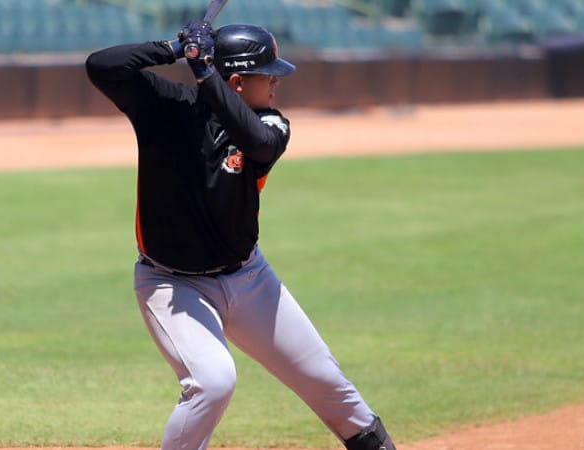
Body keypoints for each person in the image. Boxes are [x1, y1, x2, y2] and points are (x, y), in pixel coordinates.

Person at [86, 21, 397, 450]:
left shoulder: (270, 124)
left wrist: (203, 72)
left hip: (250, 279)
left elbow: (258, 143)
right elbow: (101, 65)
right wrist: (173, 47)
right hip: (172, 282)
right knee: (213, 382)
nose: (276, 83)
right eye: (268, 75)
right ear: (237, 81)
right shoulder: (165, 105)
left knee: (327, 382)